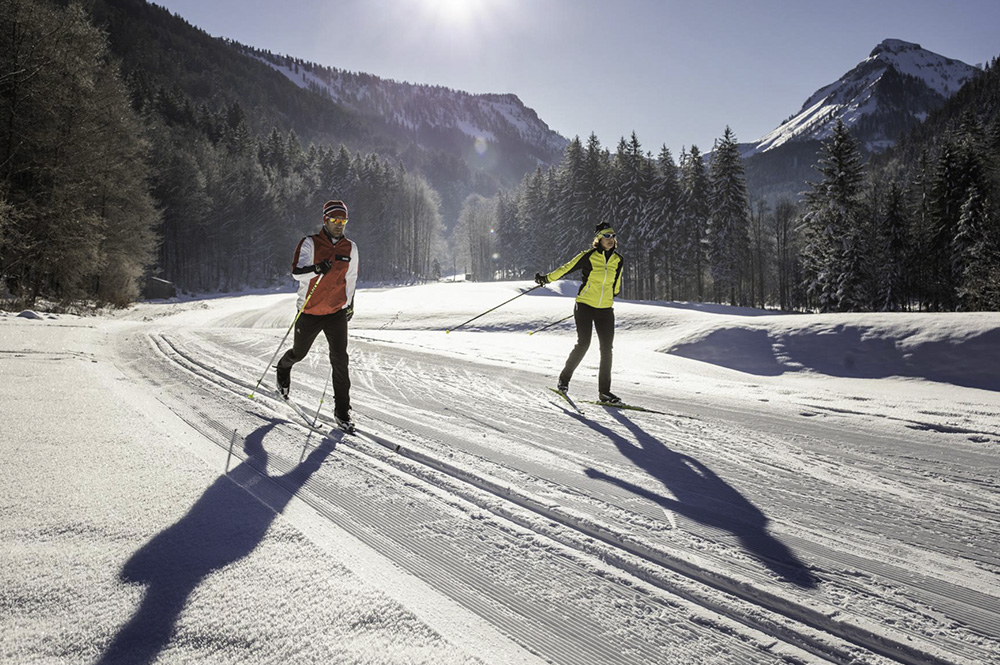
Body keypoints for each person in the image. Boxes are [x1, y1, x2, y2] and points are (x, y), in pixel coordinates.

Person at [276, 199, 359, 431]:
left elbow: (350, 279)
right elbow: (296, 273)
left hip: (336, 312)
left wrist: (350, 304)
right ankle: (283, 367)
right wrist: (316, 269)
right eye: (334, 220)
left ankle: (342, 411)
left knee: (340, 359)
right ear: (325, 220)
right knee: (299, 353)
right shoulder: (310, 244)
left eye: (343, 220)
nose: (339, 224)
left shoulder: (350, 248)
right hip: (310, 311)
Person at [535, 222, 624, 404]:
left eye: (613, 236)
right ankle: (564, 380)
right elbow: (566, 268)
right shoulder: (588, 256)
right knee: (584, 343)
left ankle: (604, 393)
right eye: (606, 236)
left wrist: (611, 294)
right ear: (598, 239)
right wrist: (546, 279)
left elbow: (617, 283)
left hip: (606, 309)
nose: (611, 239)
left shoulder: (618, 260)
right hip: (584, 305)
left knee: (607, 350)